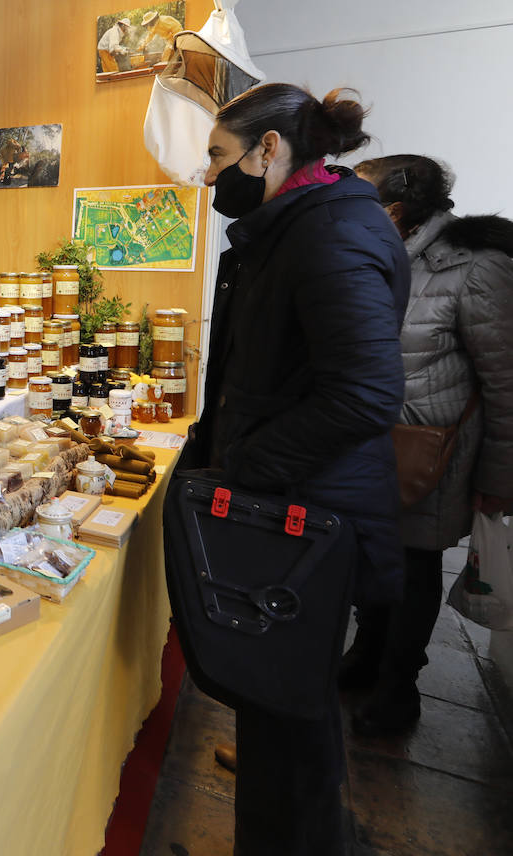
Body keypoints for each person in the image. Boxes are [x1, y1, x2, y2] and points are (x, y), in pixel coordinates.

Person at [186, 83, 407, 855]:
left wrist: (243, 464)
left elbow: (365, 394)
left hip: (309, 507)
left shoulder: (328, 234)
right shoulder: (300, 224)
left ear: (268, 149)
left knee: (292, 708)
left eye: (218, 156)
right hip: (298, 495)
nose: (209, 177)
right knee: (280, 705)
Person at [342, 155, 513, 736]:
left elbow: (506, 385)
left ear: (392, 210)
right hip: (370, 445)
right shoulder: (378, 258)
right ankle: (365, 659)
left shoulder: (475, 269)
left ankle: (398, 690)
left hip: (429, 453)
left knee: (412, 572)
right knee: (369, 561)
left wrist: (498, 479)